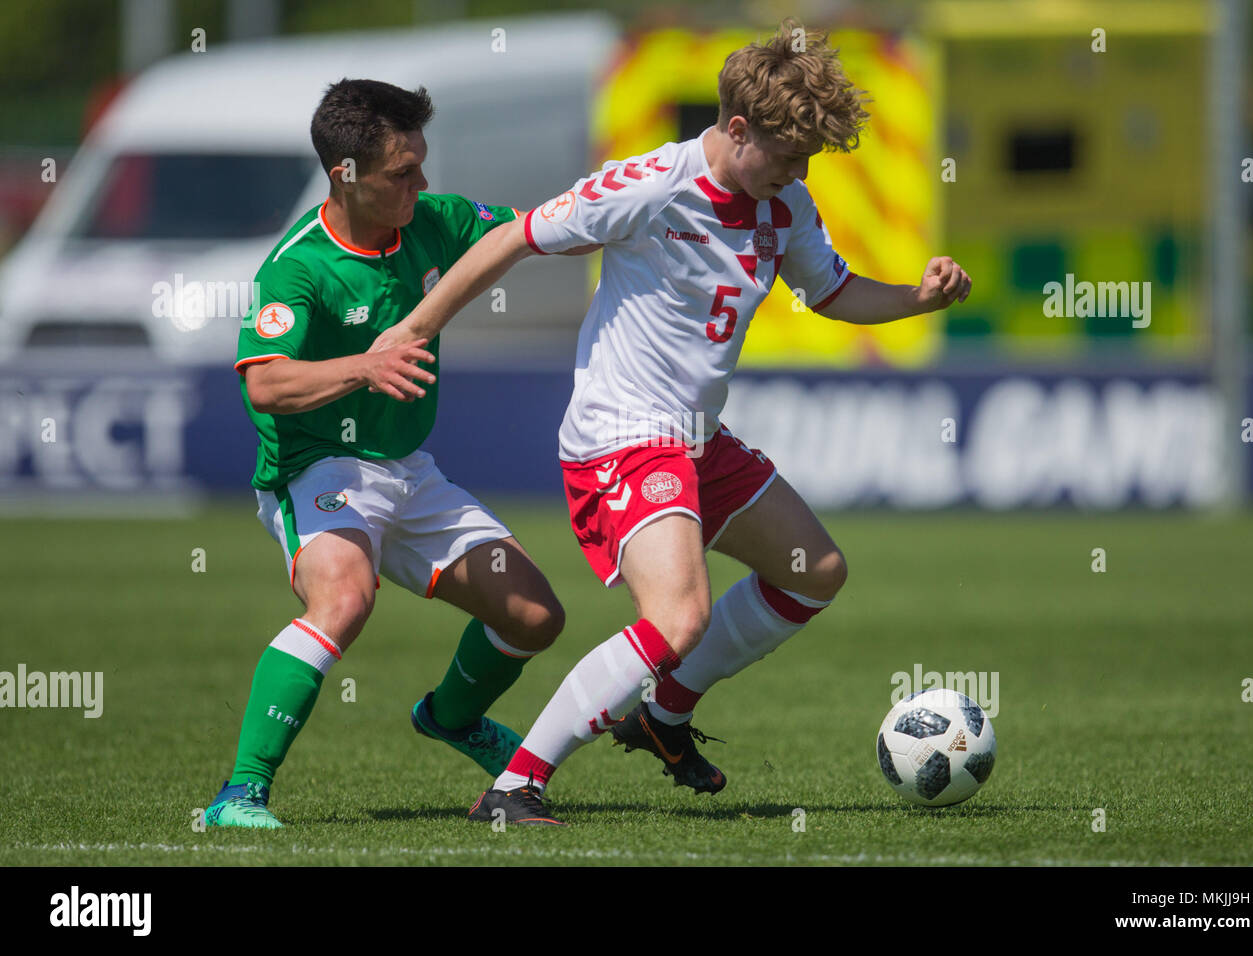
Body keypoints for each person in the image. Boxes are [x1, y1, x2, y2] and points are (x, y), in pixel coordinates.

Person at [371, 22, 971, 826]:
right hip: (621, 435)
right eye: (789, 154)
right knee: (678, 617)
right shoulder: (648, 185)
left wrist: (917, 299)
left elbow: (830, 293)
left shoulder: (783, 200)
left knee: (815, 572)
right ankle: (515, 785)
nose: (798, 173)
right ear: (735, 128)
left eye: (807, 160)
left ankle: (664, 714)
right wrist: (413, 330)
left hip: (695, 438)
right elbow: (513, 238)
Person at [204, 79, 566, 828]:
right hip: (316, 473)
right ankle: (240, 793)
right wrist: (362, 367)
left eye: (421, 165)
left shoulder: (434, 220)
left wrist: (635, 205)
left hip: (410, 473)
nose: (422, 183)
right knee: (344, 598)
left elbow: (532, 228)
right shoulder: (297, 267)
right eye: (403, 172)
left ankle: (450, 717)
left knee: (534, 616)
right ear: (345, 174)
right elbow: (267, 384)